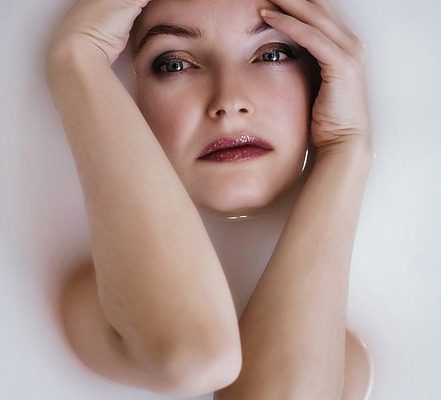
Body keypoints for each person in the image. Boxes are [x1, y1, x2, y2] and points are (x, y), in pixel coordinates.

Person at [45, 0, 374, 399]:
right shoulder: (95, 301)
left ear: (320, 80)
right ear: (129, 98)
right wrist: (78, 58)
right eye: (174, 64)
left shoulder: (344, 355)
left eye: (271, 54)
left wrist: (347, 149)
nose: (228, 101)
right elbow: (196, 355)